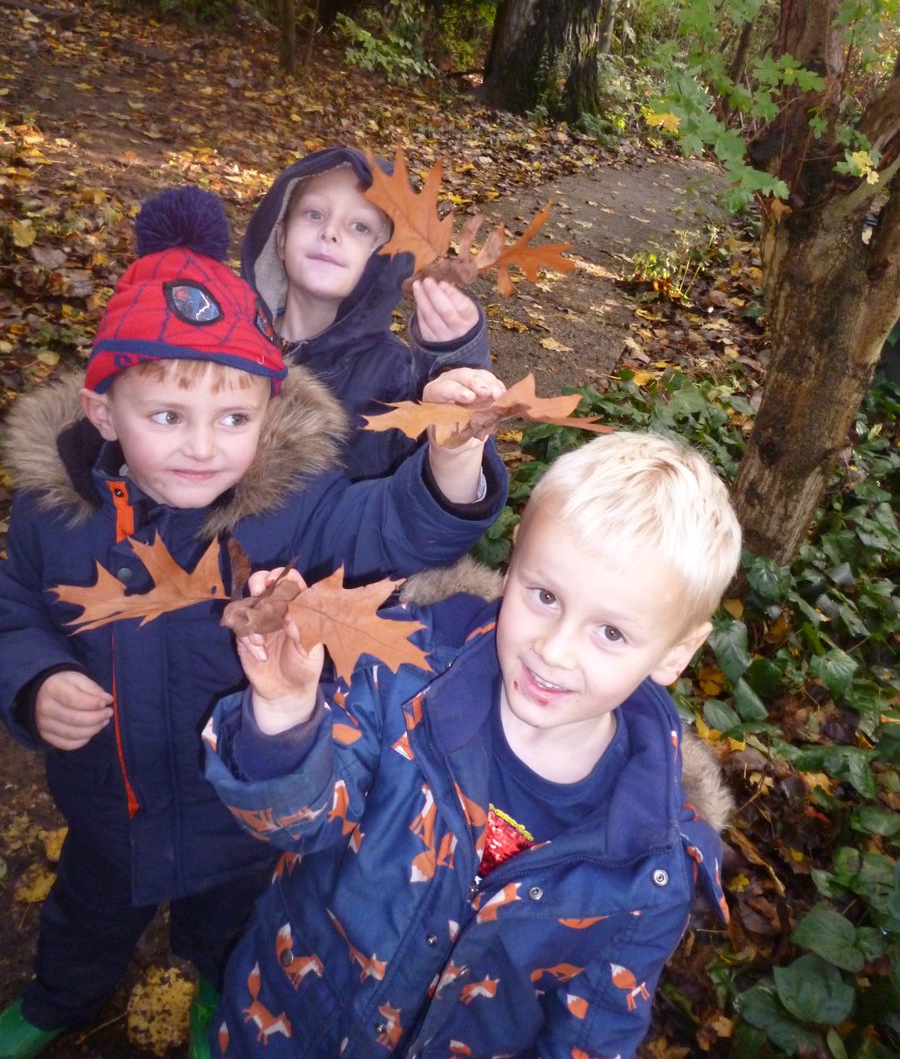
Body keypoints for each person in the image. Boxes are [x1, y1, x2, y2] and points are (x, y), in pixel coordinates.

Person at [0, 185, 507, 1059]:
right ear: (101, 412)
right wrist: (33, 679)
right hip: (106, 807)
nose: (203, 446)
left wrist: (453, 459)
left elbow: (396, 527)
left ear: (269, 415)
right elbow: (12, 606)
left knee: (228, 930)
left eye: (234, 418)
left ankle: (218, 1001)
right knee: (86, 914)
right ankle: (59, 998)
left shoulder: (289, 510)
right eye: (167, 416)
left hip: (235, 815)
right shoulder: (53, 514)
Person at [203, 429, 742, 1059]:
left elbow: (592, 1030)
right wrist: (285, 711)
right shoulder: (404, 677)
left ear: (676, 651)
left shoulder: (648, 866)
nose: (554, 649)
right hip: (284, 1025)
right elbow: (294, 824)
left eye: (612, 634)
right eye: (544, 597)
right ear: (514, 560)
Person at [241, 145, 492, 479]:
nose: (329, 232)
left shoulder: (395, 379)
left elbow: (449, 474)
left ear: (387, 257)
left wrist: (455, 359)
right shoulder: (222, 341)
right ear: (281, 236)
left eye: (359, 227)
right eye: (314, 214)